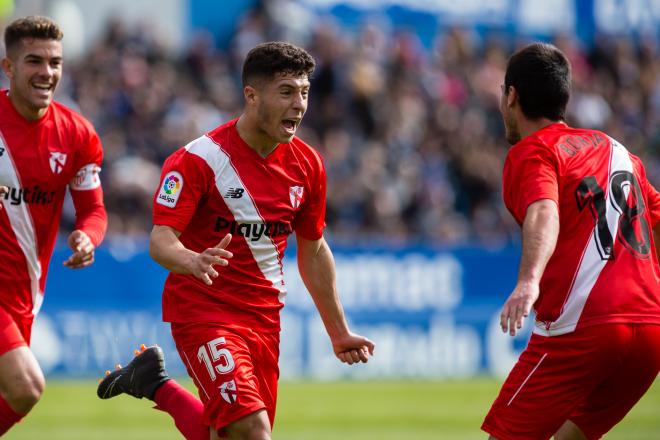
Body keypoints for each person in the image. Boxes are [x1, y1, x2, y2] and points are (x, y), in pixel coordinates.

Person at [98, 41, 375, 440]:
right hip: (203, 312)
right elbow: (160, 241)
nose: (299, 104)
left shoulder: (308, 164)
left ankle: (153, 383)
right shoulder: (198, 160)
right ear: (251, 95)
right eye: (286, 92)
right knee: (252, 430)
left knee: (227, 435)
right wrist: (191, 260)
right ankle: (155, 383)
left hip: (264, 321)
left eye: (304, 92)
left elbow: (313, 249)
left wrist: (338, 331)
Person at [482, 42, 660, 440]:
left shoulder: (534, 152)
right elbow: (656, 221)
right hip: (650, 332)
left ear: (512, 96)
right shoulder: (620, 152)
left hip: (584, 328)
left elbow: (544, 210)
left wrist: (528, 281)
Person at [0, 16, 107, 435]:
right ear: (9, 67)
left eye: (55, 62)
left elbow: (94, 210)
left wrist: (88, 237)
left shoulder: (78, 135)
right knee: (26, 385)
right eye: (34, 61)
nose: (47, 72)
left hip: (23, 294)